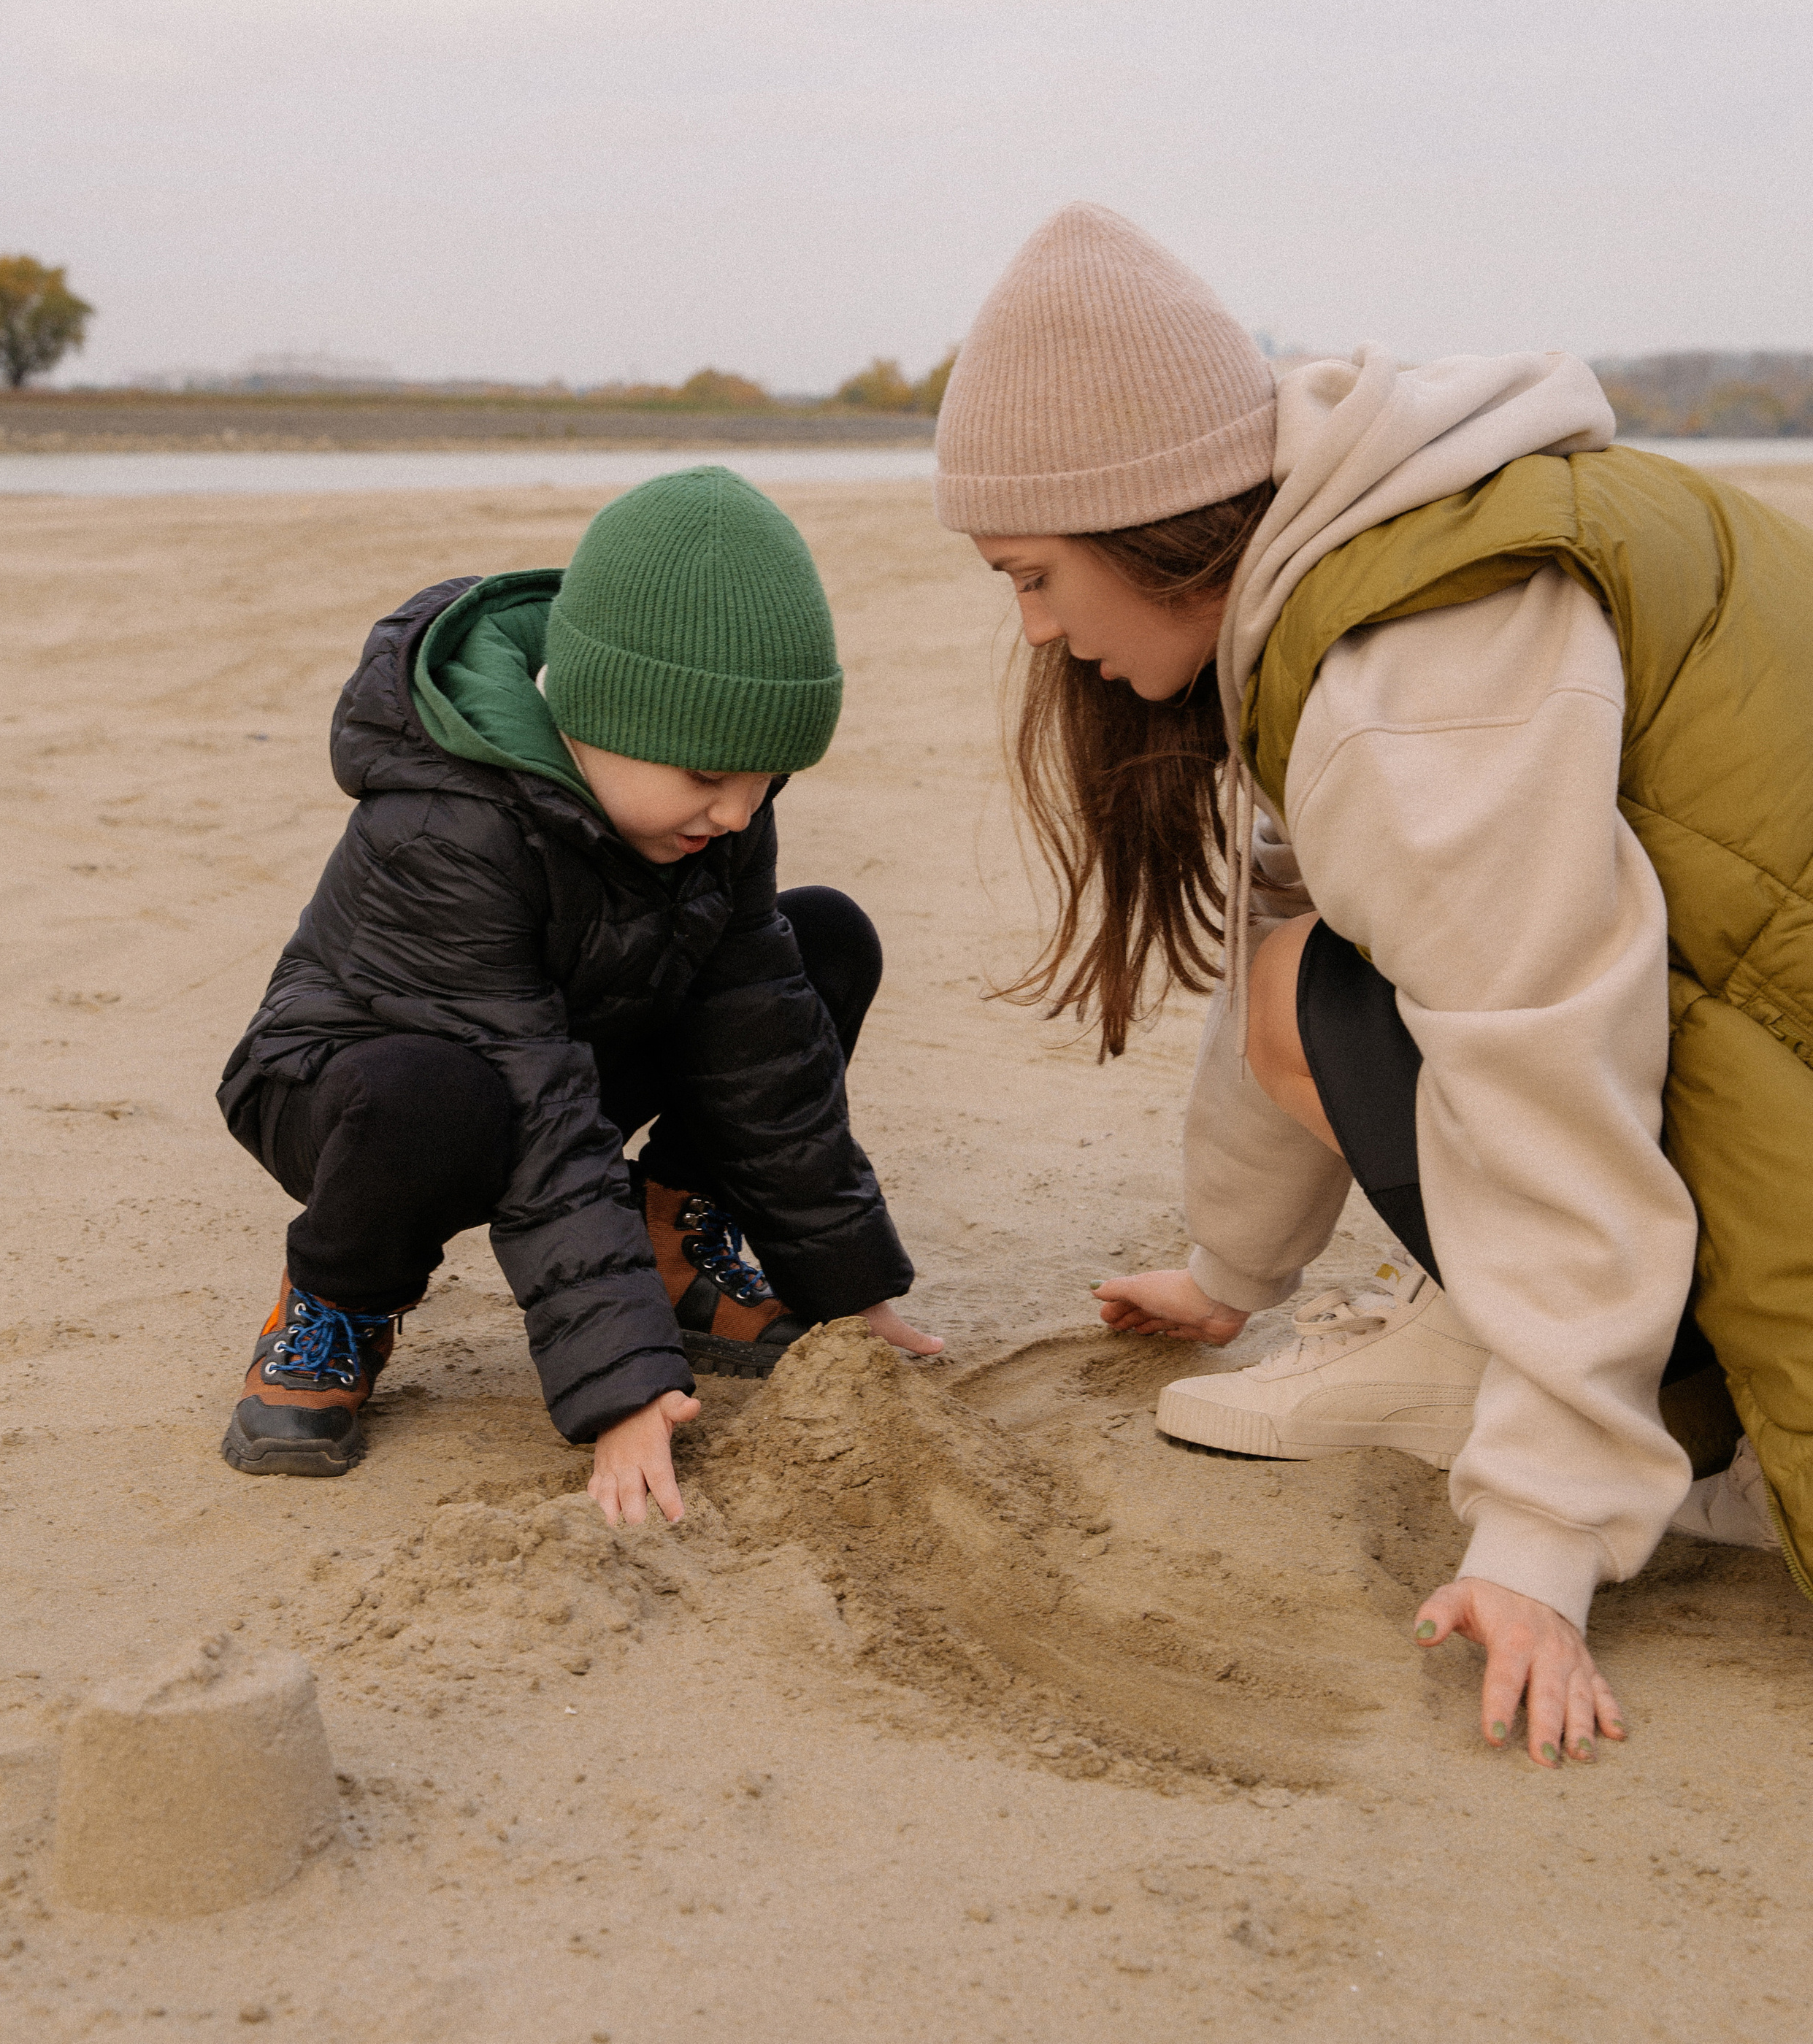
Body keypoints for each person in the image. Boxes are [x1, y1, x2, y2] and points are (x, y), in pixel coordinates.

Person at [934, 201, 1812, 1767]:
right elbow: (1309, 939)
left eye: (1030, 574)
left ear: (1150, 522)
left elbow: (1552, 1076)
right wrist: (1230, 1273)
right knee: (1312, 978)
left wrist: (1539, 1533)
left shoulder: (1409, 685)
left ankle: (1633, 1409)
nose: (1041, 634)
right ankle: (1519, 1331)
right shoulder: (1384, 549)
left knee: (1364, 1004)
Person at [217, 464, 941, 1521]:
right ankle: (334, 1303)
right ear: (601, 715)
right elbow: (538, 1103)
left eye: (766, 781)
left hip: (560, 1034)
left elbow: (765, 1048)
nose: (739, 813)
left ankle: (669, 1236)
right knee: (437, 1095)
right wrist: (625, 1386)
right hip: (355, 1081)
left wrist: (847, 1293)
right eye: (710, 779)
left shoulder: (716, 806)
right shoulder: (447, 826)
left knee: (817, 942)